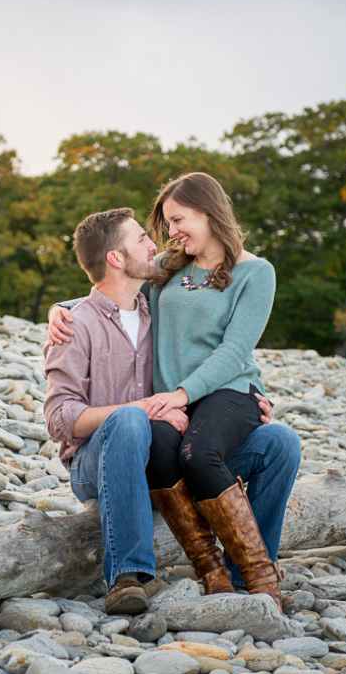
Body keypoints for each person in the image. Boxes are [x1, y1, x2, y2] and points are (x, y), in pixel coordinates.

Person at [49, 173, 299, 612]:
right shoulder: (161, 271)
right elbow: (107, 289)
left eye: (176, 221)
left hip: (198, 412)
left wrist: (189, 396)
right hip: (133, 435)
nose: (166, 236)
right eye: (158, 229)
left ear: (209, 212)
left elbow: (234, 350)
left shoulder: (233, 278)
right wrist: (61, 309)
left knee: (280, 442)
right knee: (148, 432)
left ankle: (253, 575)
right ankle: (160, 574)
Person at [42, 208, 176, 614]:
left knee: (274, 441)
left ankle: (247, 568)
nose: (153, 245)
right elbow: (59, 418)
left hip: (158, 458)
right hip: (92, 464)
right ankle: (125, 577)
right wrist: (134, 410)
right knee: (130, 420)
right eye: (141, 239)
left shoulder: (161, 312)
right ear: (115, 259)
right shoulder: (75, 326)